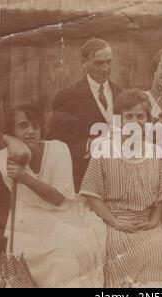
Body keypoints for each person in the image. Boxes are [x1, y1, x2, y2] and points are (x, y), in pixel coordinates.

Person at [0, 104, 106, 288]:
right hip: (27, 221)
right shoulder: (3, 156)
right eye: (23, 126)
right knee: (25, 269)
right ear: (11, 131)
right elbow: (22, 153)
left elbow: (59, 199)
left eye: (35, 125)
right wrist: (7, 138)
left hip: (61, 216)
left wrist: (25, 178)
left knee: (64, 262)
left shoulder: (58, 149)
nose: (31, 131)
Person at [80, 89, 162, 288]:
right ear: (119, 120)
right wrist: (116, 222)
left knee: (157, 252)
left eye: (140, 116)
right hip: (114, 224)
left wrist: (154, 221)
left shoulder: (157, 153)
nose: (134, 121)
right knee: (117, 261)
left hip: (146, 225)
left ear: (148, 122)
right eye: (128, 116)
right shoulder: (104, 150)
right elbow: (92, 194)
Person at [48, 38, 122, 192]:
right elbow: (55, 146)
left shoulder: (121, 93)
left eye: (109, 62)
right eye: (99, 63)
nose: (105, 68)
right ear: (84, 62)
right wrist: (89, 145)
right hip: (83, 178)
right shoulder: (68, 95)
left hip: (118, 178)